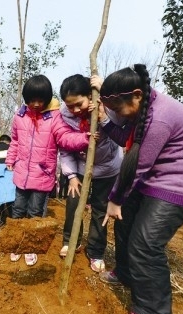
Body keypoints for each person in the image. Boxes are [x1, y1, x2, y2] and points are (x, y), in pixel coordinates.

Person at [98, 64, 183, 314]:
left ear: (136, 96)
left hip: (179, 181)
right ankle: (125, 272)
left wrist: (114, 199)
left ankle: (153, 313)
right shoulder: (141, 108)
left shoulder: (160, 119)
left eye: (117, 107)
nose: (116, 114)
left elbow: (137, 167)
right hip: (154, 175)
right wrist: (103, 116)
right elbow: (125, 136)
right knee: (124, 225)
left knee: (145, 243)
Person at [5, 74, 92, 266]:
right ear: (25, 99)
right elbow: (15, 141)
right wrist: (11, 158)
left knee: (36, 213)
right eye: (31, 100)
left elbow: (65, 138)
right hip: (21, 175)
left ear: (47, 99)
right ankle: (17, 244)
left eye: (40, 100)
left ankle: (31, 247)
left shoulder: (54, 118)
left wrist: (85, 139)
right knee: (18, 210)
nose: (36, 104)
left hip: (42, 176)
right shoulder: (19, 117)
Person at [58, 74, 123, 273]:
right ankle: (71, 241)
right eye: (70, 106)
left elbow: (122, 123)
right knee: (73, 204)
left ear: (90, 95)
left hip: (107, 167)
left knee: (99, 209)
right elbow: (65, 147)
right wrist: (71, 176)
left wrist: (104, 102)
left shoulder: (107, 105)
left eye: (79, 104)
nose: (76, 110)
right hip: (79, 167)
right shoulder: (64, 117)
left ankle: (96, 251)